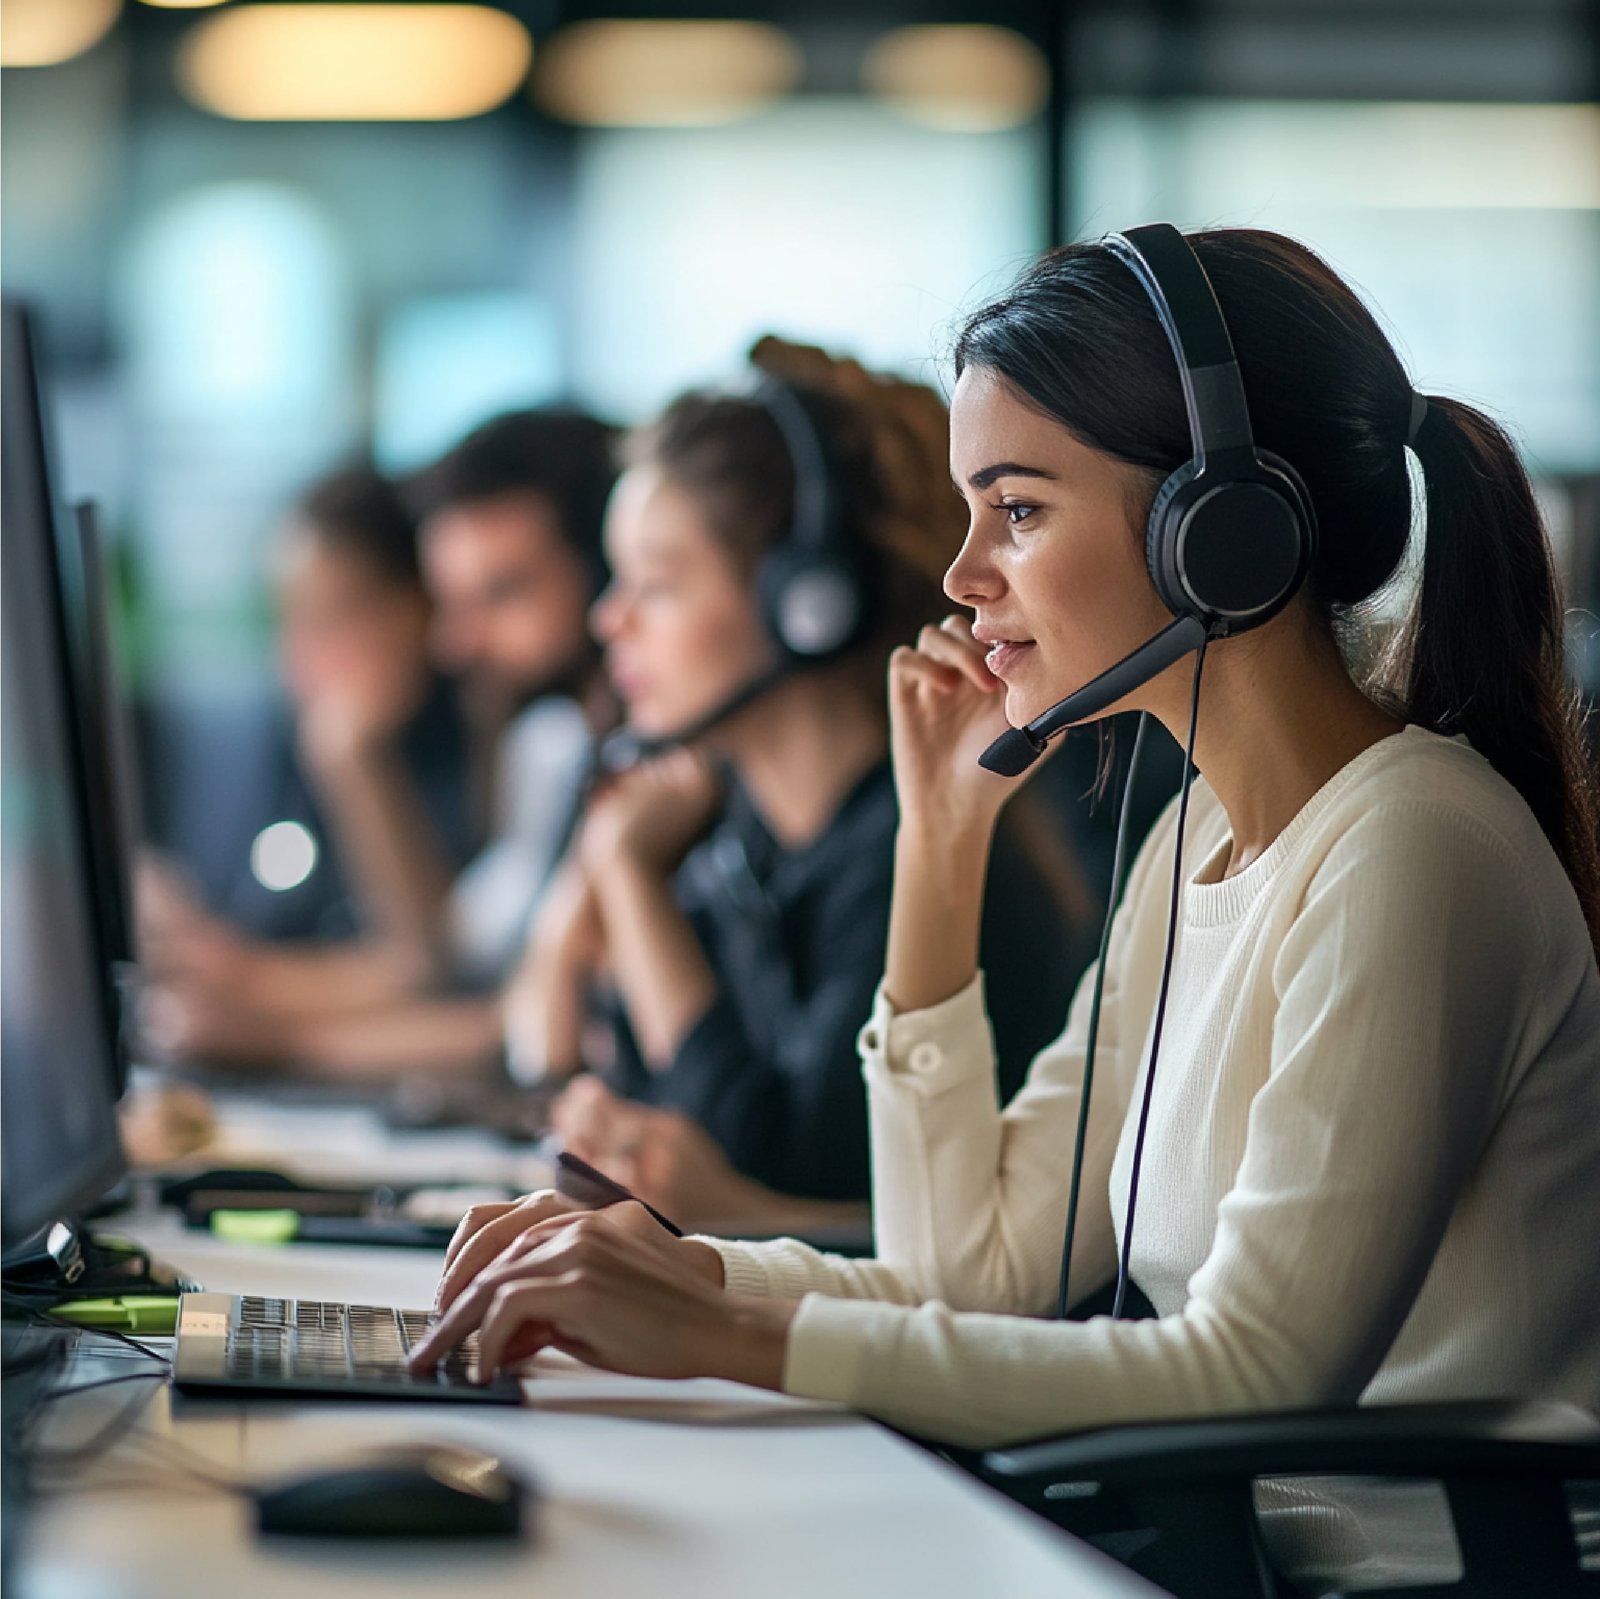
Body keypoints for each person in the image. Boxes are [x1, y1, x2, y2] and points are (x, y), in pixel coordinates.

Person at [408, 229, 1600, 1591]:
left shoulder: (1413, 847)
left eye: (1018, 510)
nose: (964, 574)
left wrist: (727, 1332)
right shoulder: (1197, 838)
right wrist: (688, 1271)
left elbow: (1254, 1365)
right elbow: (968, 1266)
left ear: (1219, 530)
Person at [504, 337, 1093, 1234]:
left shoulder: (921, 850)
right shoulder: (723, 835)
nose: (608, 619)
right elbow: (577, 1084)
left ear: (804, 601)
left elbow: (777, 1159)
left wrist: (624, 876)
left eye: (654, 585)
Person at [142, 410, 619, 1078]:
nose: (455, 644)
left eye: (502, 593)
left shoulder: (571, 764)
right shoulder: (550, 752)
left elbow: (472, 998)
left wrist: (278, 1038)